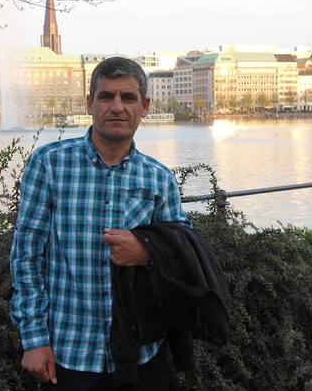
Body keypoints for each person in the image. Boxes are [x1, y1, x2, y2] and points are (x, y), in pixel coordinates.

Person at [10, 57, 190, 391]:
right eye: (106, 96)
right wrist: (34, 339)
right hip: (69, 355)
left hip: (143, 354)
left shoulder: (159, 178)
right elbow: (26, 256)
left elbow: (183, 253)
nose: (117, 107)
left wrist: (147, 251)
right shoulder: (49, 164)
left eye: (128, 98)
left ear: (144, 107)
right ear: (89, 103)